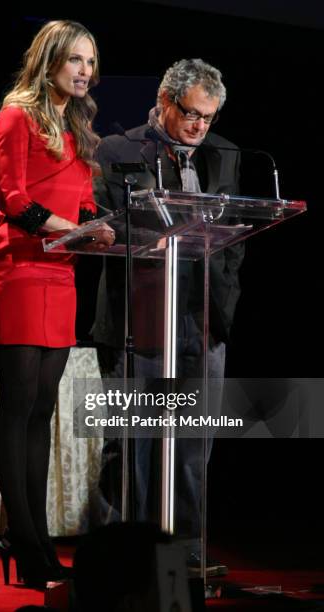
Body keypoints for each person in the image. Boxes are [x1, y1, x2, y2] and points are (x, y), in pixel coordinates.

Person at [92, 58, 244, 574]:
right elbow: (109, 227)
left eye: (210, 117)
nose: (201, 127)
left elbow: (237, 237)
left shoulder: (225, 154)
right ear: (163, 101)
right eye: (192, 113)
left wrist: (223, 293)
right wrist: (161, 244)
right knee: (130, 447)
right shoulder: (116, 150)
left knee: (193, 453)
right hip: (141, 321)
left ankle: (187, 557)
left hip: (202, 321)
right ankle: (117, 564)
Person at [0, 19, 113, 588]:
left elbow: (81, 204)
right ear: (51, 60)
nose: (85, 71)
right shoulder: (18, 114)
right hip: (18, 267)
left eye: (91, 62)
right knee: (19, 404)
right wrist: (75, 229)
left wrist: (102, 228)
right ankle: (26, 541)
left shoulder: (79, 126)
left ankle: (36, 540)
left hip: (61, 273)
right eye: (75, 60)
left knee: (42, 412)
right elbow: (15, 201)